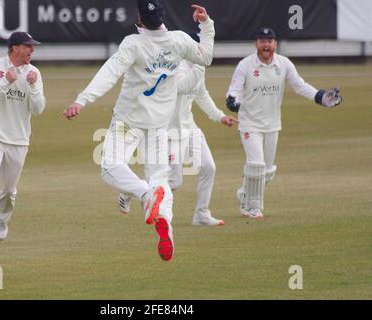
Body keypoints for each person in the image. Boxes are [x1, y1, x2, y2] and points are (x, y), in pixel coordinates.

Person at [63, 0, 215, 261]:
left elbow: (109, 73)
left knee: (110, 166)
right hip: (159, 125)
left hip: (128, 121)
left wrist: (82, 99)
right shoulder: (179, 40)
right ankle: (164, 222)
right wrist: (206, 25)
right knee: (160, 179)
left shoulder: (133, 43)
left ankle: (145, 195)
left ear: (140, 19)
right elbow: (207, 57)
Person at [118, 34, 238, 226]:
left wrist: (220, 116)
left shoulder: (197, 67)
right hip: (169, 132)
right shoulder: (174, 66)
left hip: (190, 128)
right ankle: (130, 191)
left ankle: (201, 214)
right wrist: (201, 66)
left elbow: (201, 94)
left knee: (209, 167)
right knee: (173, 182)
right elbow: (183, 87)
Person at [226, 27, 342, 219]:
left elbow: (300, 85)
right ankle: (252, 207)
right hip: (250, 123)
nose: (266, 45)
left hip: (272, 123)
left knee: (268, 172)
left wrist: (321, 97)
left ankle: (245, 192)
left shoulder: (284, 64)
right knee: (256, 165)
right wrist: (232, 99)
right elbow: (235, 88)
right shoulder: (245, 65)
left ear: (275, 44)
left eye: (270, 41)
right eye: (262, 41)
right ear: (255, 44)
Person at [0, 32, 46, 247]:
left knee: (9, 189)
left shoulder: (34, 73)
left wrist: (32, 87)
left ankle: (2, 219)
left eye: (33, 47)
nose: (32, 50)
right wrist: (5, 82)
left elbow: (39, 109)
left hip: (19, 138)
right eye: (28, 46)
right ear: (15, 48)